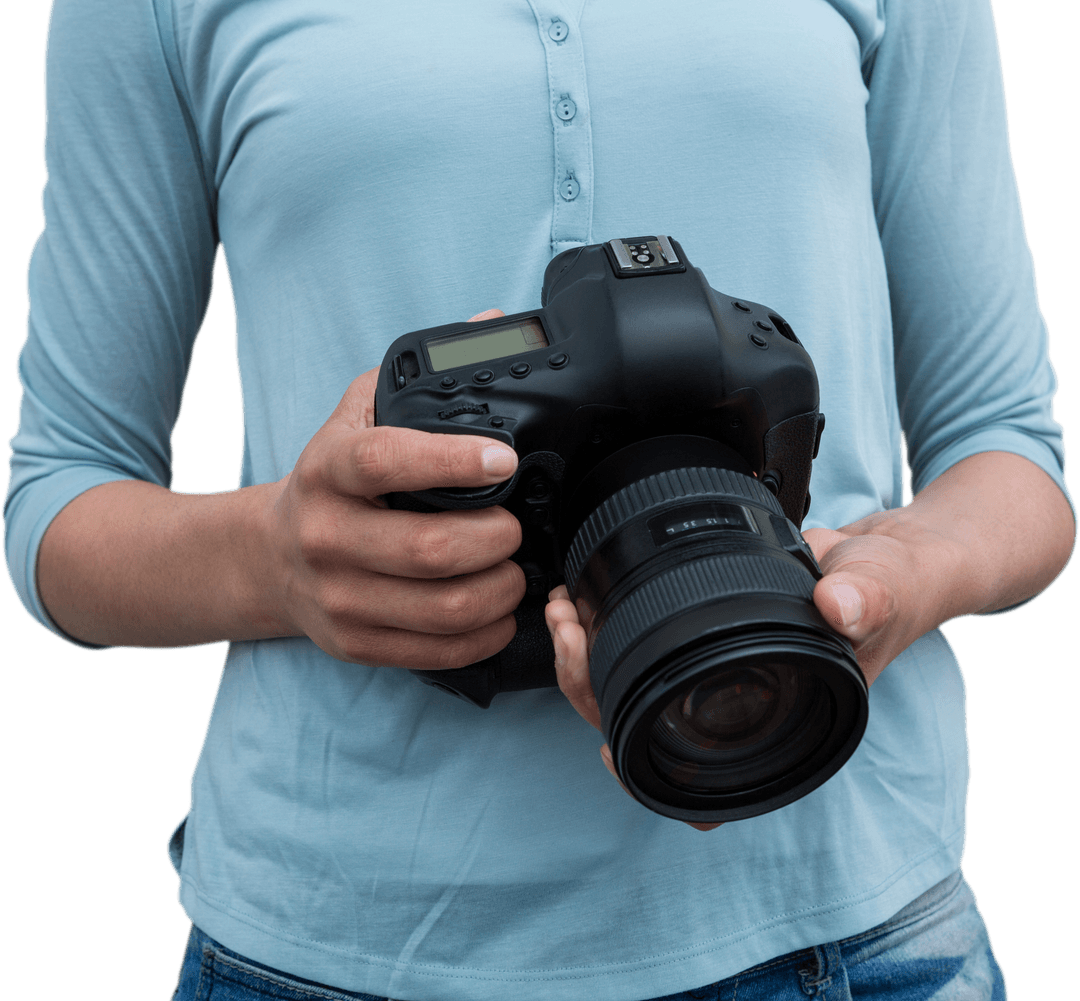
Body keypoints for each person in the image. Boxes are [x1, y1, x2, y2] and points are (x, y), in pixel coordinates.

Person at [4, 0, 1074, 999]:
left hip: (858, 924)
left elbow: (1009, 447)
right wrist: (278, 560)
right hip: (336, 947)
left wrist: (897, 577)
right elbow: (58, 493)